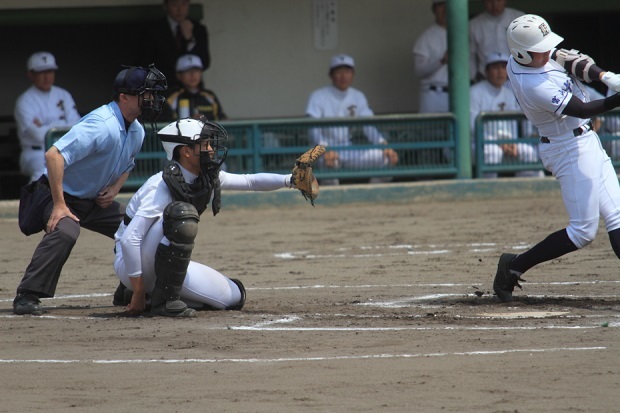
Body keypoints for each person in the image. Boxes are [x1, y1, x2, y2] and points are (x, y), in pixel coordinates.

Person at [112, 118, 310, 316]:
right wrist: (138, 289)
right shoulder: (160, 187)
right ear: (186, 151)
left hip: (156, 264)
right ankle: (158, 300)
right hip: (130, 264)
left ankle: (145, 294)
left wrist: (291, 180)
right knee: (181, 215)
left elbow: (250, 181)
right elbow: (130, 239)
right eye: (204, 144)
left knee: (234, 296)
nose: (211, 150)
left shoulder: (204, 175)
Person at [12, 65, 167, 315]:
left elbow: (128, 164)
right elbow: (53, 156)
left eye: (152, 95)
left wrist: (115, 188)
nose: (152, 100)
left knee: (138, 227)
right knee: (65, 232)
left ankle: (128, 287)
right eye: (145, 94)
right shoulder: (101, 124)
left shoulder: (136, 130)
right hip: (58, 195)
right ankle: (27, 294)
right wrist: (60, 205)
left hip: (95, 201)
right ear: (124, 97)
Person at [493, 14, 620, 302]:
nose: (546, 53)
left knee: (617, 217)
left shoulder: (525, 58)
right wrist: (617, 96)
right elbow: (584, 109)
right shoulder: (533, 84)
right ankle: (512, 267)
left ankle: (513, 267)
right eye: (539, 50)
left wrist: (603, 76)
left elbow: (566, 57)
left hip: (585, 141)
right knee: (582, 232)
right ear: (522, 53)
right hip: (567, 149)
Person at [306, 54, 398, 185]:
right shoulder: (318, 96)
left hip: (348, 149)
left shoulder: (358, 96)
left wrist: (383, 144)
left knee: (387, 158)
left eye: (347, 71)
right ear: (331, 75)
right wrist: (324, 149)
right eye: (339, 71)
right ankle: (334, 201)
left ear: (353, 74)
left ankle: (372, 196)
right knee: (330, 164)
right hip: (323, 151)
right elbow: (312, 128)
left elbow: (369, 126)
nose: (343, 76)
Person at [469, 52, 543, 178]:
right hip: (478, 143)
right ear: (486, 72)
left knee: (529, 152)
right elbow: (472, 127)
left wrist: (511, 143)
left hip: (508, 143)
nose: (500, 72)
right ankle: (487, 192)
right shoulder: (474, 92)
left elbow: (513, 124)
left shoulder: (509, 93)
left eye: (503, 68)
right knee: (493, 152)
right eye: (495, 68)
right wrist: (498, 143)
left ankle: (529, 193)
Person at [14, 52, 81, 183]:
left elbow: (77, 126)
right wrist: (63, 124)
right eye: (41, 72)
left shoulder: (63, 95)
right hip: (36, 152)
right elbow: (39, 136)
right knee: (44, 168)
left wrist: (47, 127)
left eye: (50, 71)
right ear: (31, 75)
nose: (47, 77)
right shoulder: (24, 100)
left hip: (65, 149)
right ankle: (34, 202)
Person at [139, 0, 210, 91]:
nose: (180, 9)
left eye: (184, 4)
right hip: (162, 89)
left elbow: (204, 62)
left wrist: (190, 40)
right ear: (165, 6)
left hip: (192, 91)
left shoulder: (198, 29)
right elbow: (143, 63)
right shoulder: (153, 30)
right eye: (174, 5)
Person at [469, 0, 523, 82]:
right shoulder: (473, 25)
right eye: (489, 1)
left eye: (498, 0)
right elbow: (470, 56)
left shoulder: (519, 19)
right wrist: (472, 78)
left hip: (515, 78)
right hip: (485, 78)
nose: (494, 5)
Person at [162, 54, 227, 121]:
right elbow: (165, 123)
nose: (192, 74)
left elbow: (222, 120)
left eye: (196, 70)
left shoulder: (210, 96)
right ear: (178, 75)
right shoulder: (171, 97)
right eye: (187, 71)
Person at [412, 0, 449, 114]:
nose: (444, 10)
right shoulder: (426, 37)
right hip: (433, 94)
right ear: (434, 9)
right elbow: (419, 70)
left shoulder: (464, 33)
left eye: (447, 5)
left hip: (459, 94)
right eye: (441, 5)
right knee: (432, 129)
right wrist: (441, 61)